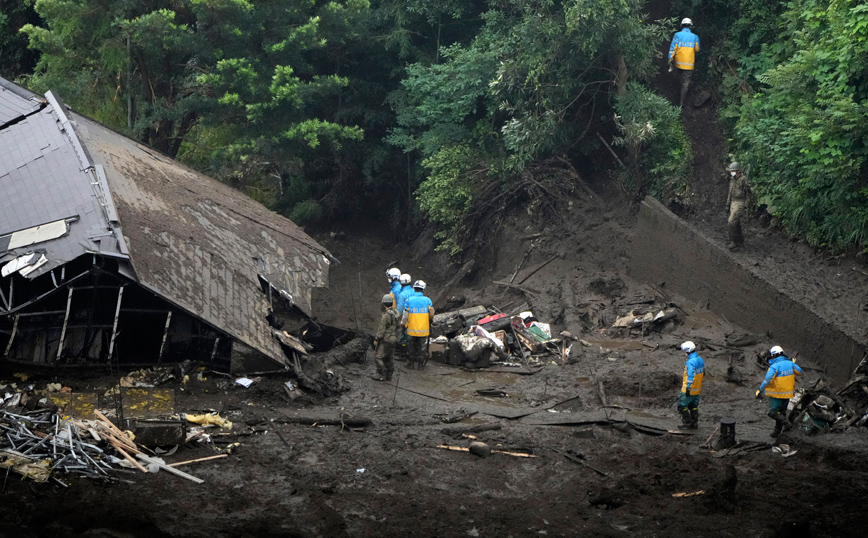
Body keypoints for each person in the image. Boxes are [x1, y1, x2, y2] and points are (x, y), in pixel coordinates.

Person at [755, 345, 803, 438]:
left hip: (776, 394)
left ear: (773, 355)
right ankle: (777, 432)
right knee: (781, 412)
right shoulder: (790, 364)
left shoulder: (774, 366)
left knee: (773, 412)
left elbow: (768, 380)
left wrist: (760, 389)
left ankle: (787, 423)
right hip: (788, 394)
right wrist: (792, 363)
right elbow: (799, 371)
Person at [402, 280, 434, 369]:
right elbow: (431, 314)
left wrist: (403, 324)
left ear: (414, 288)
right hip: (424, 330)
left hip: (411, 329)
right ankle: (421, 365)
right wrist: (430, 320)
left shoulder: (409, 300)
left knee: (411, 347)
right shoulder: (428, 300)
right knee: (422, 349)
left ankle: (410, 364)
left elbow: (405, 315)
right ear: (423, 289)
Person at [668, 18, 700, 107]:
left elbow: (673, 48)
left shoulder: (677, 35)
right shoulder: (695, 37)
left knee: (680, 77)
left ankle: (677, 93)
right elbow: (697, 49)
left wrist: (670, 60)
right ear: (691, 26)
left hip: (678, 63)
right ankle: (681, 103)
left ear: (681, 25)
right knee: (685, 82)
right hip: (689, 65)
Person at [677, 341, 705, 429]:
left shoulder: (690, 362)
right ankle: (694, 423)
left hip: (688, 389)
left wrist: (688, 387)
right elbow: (703, 373)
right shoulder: (700, 360)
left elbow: (690, 376)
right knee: (693, 406)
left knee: (682, 406)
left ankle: (687, 423)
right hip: (697, 388)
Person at [372, 294, 400, 381]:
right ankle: (389, 375)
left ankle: (381, 373)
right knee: (389, 357)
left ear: (384, 304)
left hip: (386, 340)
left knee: (378, 357)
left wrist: (377, 339)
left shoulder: (385, 316)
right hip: (393, 338)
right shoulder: (396, 313)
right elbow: (398, 327)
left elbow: (381, 330)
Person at [726, 161, 750, 251]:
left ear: (738, 171)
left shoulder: (744, 180)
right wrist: (727, 204)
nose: (732, 173)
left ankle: (734, 242)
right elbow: (730, 192)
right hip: (733, 202)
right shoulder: (732, 180)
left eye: (733, 171)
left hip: (740, 202)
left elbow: (750, 194)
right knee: (736, 223)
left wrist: (747, 205)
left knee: (731, 222)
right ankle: (740, 241)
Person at [396, 273, 414, 353]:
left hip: (405, 317)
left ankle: (403, 352)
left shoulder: (402, 294)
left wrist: (396, 318)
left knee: (404, 336)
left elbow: (399, 309)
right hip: (415, 317)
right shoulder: (414, 291)